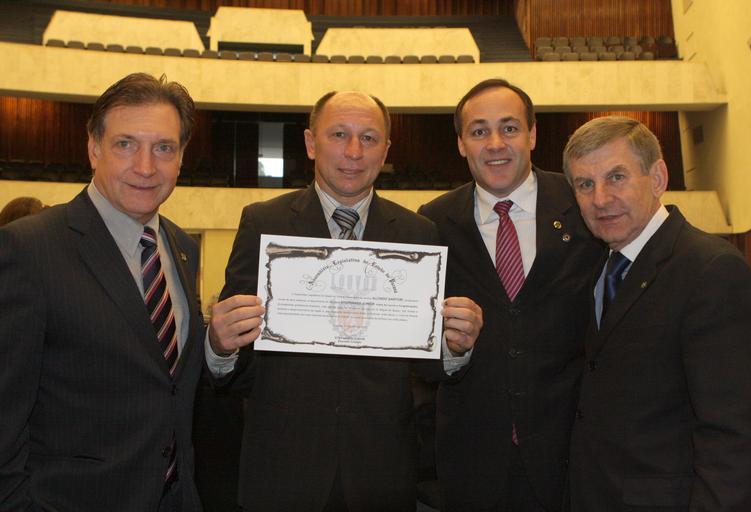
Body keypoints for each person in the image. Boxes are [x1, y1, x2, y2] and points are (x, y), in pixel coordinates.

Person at [206, 90, 483, 512]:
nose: (354, 151)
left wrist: (455, 347)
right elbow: (240, 365)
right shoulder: (263, 223)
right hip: (283, 471)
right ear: (311, 143)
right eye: (339, 134)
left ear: (385, 150)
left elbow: (429, 366)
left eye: (369, 138)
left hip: (381, 472)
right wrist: (220, 347)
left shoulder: (418, 234)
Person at [0, 73, 204, 511]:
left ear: (181, 157)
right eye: (125, 144)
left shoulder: (183, 248)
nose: (146, 167)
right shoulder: (29, 249)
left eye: (164, 148)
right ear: (94, 148)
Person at [563, 115, 751, 511]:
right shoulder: (599, 267)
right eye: (585, 184)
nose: (600, 198)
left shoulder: (711, 271)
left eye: (616, 177)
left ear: (657, 178)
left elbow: (737, 436)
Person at [418, 78, 604, 511]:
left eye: (509, 128)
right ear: (461, 143)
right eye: (479, 131)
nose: (495, 144)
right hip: (472, 460)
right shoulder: (432, 224)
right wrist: (451, 350)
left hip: (572, 455)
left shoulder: (583, 205)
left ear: (533, 134)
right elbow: (421, 359)